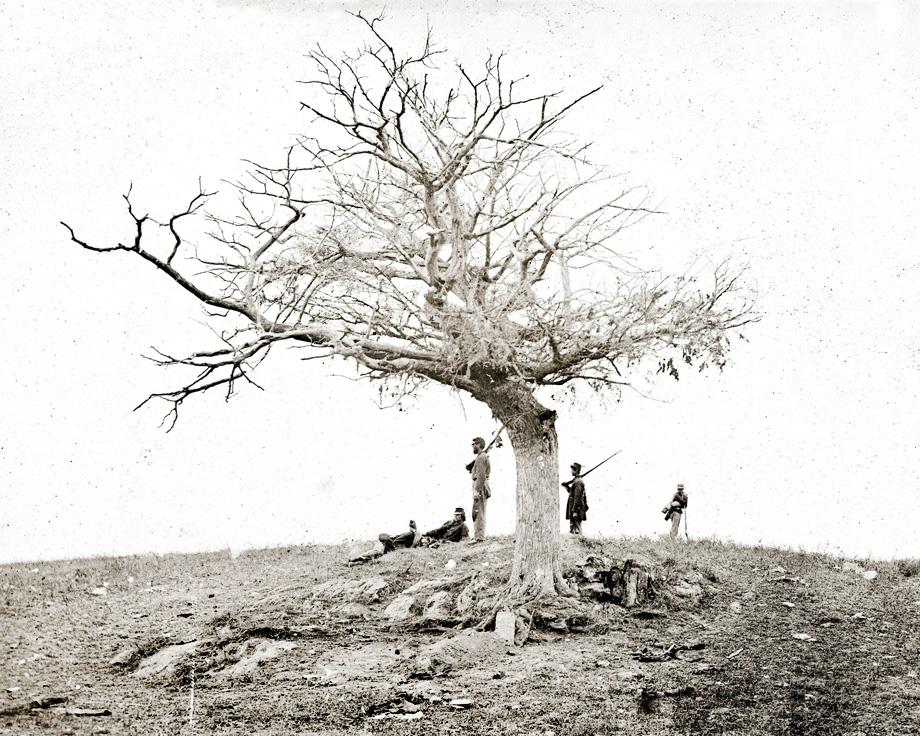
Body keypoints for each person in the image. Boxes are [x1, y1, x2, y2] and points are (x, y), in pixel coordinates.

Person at [348, 520, 421, 563]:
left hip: (387, 544)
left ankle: (353, 562)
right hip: (383, 543)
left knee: (373, 558)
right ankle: (355, 558)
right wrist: (396, 549)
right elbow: (396, 541)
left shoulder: (412, 536)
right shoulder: (408, 535)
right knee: (376, 552)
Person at [469, 436, 491, 543]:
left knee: (479, 511)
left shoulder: (482, 457)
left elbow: (481, 476)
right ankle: (478, 535)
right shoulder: (481, 457)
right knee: (478, 510)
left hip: (480, 485)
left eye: (474, 444)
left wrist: (477, 490)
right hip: (480, 485)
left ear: (478, 445)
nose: (472, 446)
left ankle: (479, 537)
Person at [564, 462, 588, 535]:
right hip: (574, 509)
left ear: (576, 470)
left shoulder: (578, 481)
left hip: (577, 509)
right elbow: (572, 493)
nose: (571, 471)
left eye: (572, 470)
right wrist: (566, 487)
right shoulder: (576, 480)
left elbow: (577, 497)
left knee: (577, 531)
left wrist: (574, 511)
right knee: (573, 530)